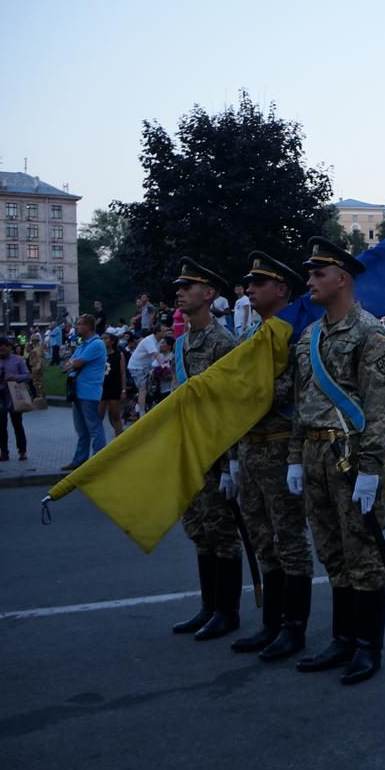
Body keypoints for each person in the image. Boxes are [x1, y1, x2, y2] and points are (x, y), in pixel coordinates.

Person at [288, 238, 385, 684]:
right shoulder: (309, 337)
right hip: (314, 454)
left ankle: (367, 647)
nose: (309, 281)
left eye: (318, 274)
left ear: (342, 279)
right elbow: (300, 402)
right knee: (332, 551)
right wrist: (296, 456)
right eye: (309, 274)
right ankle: (342, 639)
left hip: (350, 457)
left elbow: (379, 408)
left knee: (363, 554)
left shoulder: (369, 333)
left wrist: (371, 469)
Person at [228, 252, 315, 662]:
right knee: (263, 540)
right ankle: (271, 624)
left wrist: (250, 392)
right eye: (249, 283)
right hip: (250, 450)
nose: (249, 289)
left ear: (281, 289)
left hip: (281, 447)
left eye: (259, 283)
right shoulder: (250, 337)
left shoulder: (298, 334)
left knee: (290, 541)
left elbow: (293, 393)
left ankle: (293, 628)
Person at [168, 258, 243, 641]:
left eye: (188, 286)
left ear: (209, 294)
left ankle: (227, 611)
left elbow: (230, 409)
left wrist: (231, 465)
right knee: (199, 529)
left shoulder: (223, 342)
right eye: (179, 287)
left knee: (222, 532)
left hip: (215, 454)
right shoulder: (181, 344)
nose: (179, 292)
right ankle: (208, 606)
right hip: (190, 452)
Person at [61, 314, 108, 471]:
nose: (77, 327)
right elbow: (68, 364)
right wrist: (72, 364)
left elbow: (76, 363)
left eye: (80, 325)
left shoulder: (97, 344)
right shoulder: (83, 345)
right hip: (78, 392)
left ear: (88, 326)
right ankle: (80, 460)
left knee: (94, 427)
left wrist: (72, 364)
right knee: (81, 430)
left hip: (89, 392)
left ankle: (99, 460)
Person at [0, 336, 31, 462]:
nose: (1, 353)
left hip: (15, 394)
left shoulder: (18, 360)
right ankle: (3, 452)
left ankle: (22, 451)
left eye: (3, 350)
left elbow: (27, 375)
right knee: (1, 426)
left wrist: (15, 377)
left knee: (17, 424)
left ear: (9, 347)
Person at [127, 323, 168, 418]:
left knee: (150, 387)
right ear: (158, 332)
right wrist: (165, 366)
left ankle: (140, 406)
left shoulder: (159, 340)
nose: (165, 332)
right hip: (136, 366)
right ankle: (142, 413)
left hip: (146, 366)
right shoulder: (149, 341)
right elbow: (156, 355)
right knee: (143, 389)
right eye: (164, 331)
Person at [100, 331, 127, 437]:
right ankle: (99, 443)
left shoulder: (118, 354)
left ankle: (119, 440)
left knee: (115, 416)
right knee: (99, 416)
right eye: (101, 338)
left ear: (111, 341)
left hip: (114, 388)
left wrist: (123, 390)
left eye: (105, 339)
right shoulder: (98, 355)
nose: (103, 341)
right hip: (101, 389)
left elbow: (123, 373)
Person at [25, 329, 46, 406]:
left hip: (36, 367)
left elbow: (40, 358)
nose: (32, 342)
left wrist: (38, 366)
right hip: (34, 367)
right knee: (36, 382)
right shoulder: (36, 348)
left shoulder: (37, 349)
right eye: (32, 340)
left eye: (33, 340)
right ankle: (39, 396)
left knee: (38, 382)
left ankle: (40, 396)